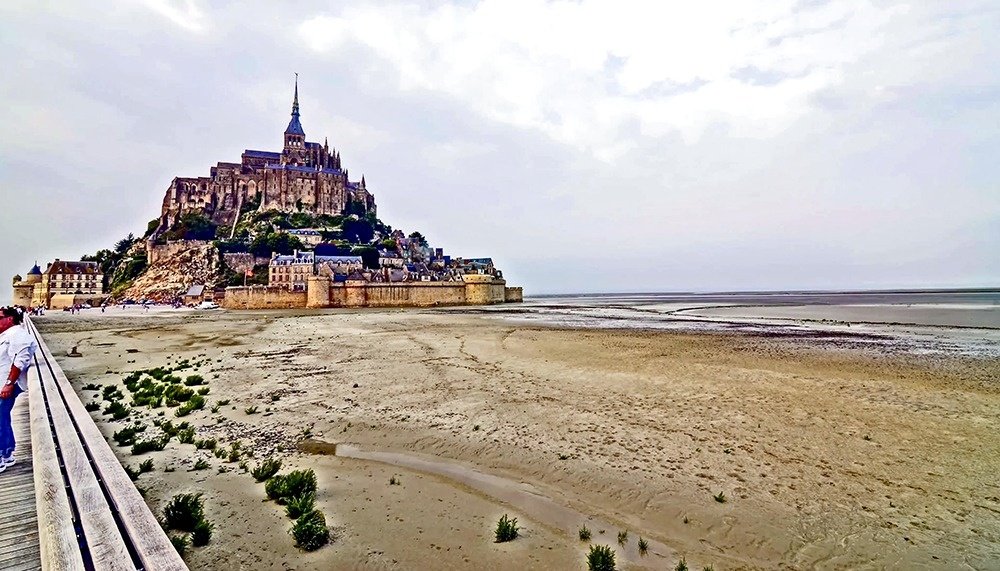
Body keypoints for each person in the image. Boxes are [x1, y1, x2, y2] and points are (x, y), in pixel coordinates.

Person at [0, 306, 37, 471]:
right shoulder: (8, 334)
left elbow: (20, 360)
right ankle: (7, 454)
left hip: (6, 385)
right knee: (2, 419)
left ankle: (2, 457)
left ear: (10, 319)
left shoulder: (17, 334)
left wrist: (9, 384)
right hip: (3, 383)